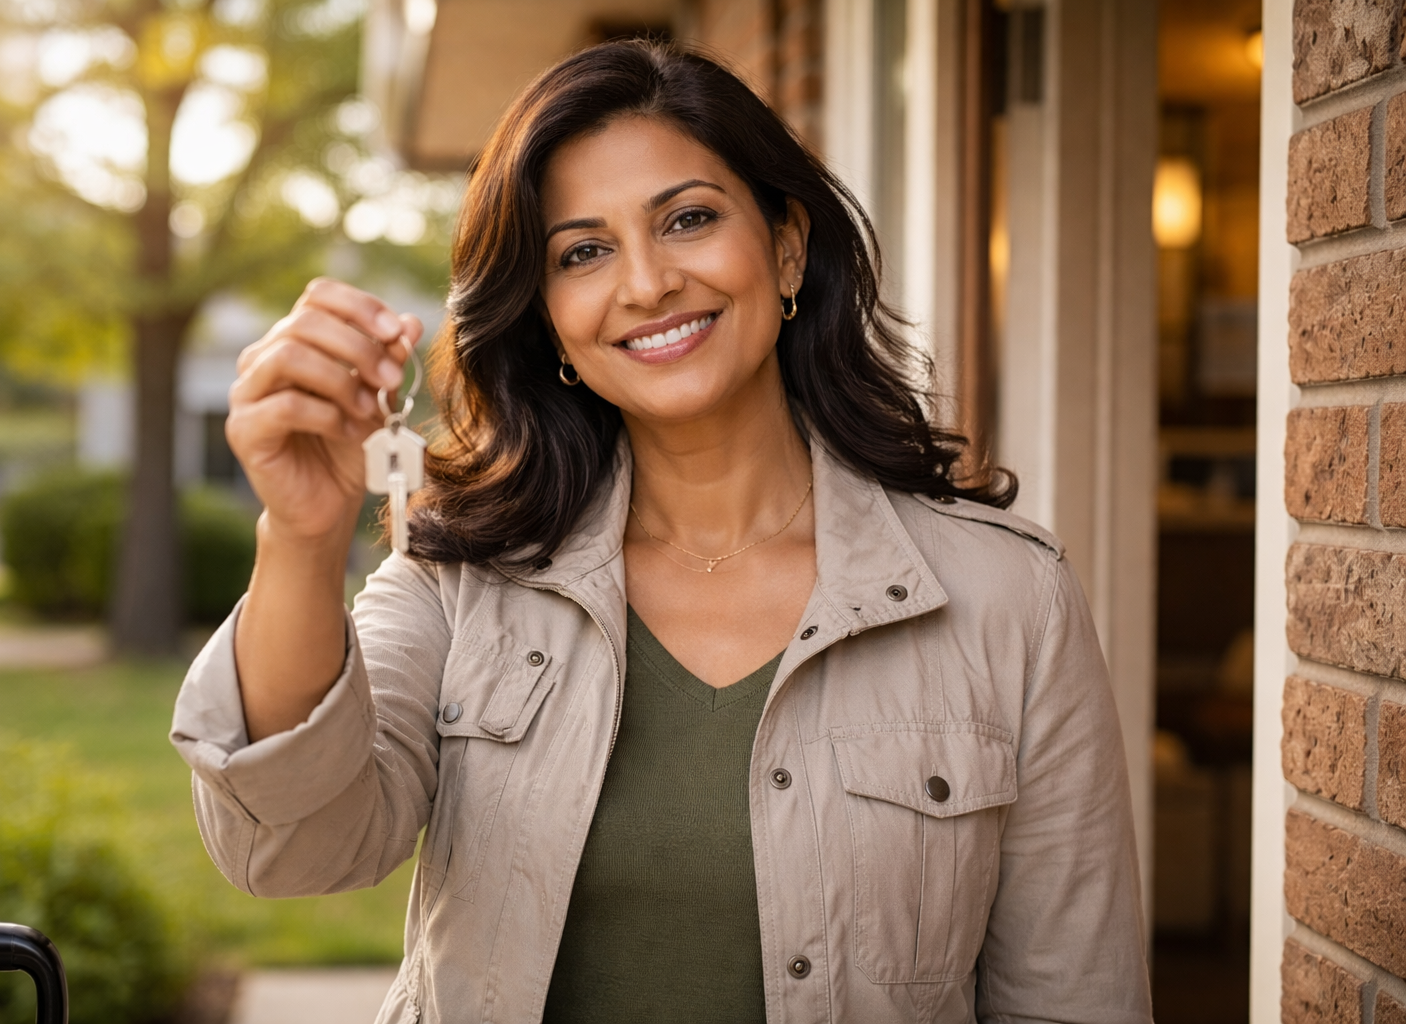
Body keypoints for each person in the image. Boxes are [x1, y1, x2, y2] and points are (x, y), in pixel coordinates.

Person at [171, 39, 1152, 1024]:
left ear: (785, 246)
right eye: (582, 251)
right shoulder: (460, 576)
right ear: (548, 317)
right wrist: (301, 534)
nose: (645, 283)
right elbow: (293, 847)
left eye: (688, 218)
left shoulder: (1008, 600)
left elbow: (1074, 998)